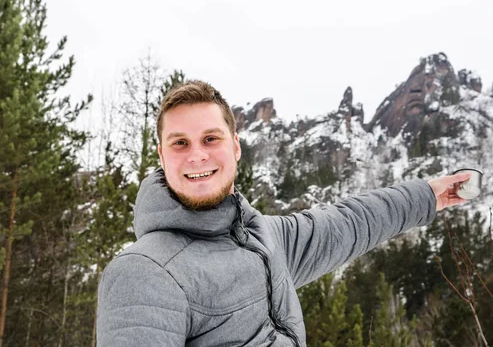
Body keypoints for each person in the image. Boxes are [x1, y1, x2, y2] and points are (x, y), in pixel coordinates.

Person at [96, 80, 471, 346]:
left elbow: (349, 223)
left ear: (236, 147)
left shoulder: (263, 238)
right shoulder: (143, 273)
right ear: (161, 157)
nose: (197, 155)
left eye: (211, 138)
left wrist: (426, 195)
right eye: (180, 143)